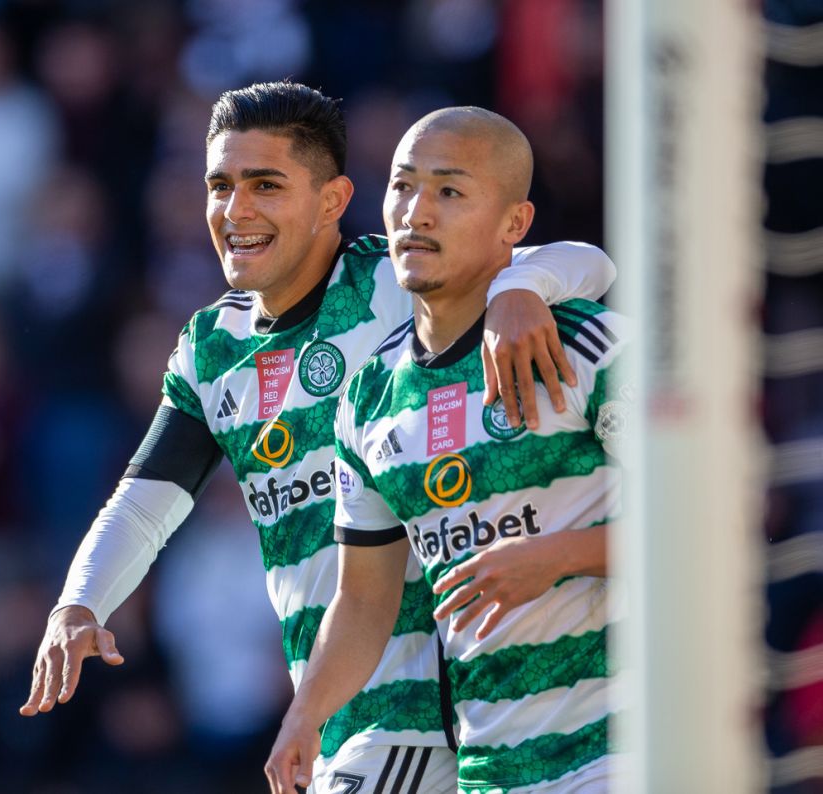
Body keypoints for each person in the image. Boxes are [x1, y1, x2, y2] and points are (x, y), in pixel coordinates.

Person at [20, 82, 617, 793]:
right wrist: (80, 603)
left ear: (332, 201)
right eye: (220, 186)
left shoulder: (399, 279)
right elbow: (146, 502)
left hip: (425, 702)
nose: (236, 210)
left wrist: (521, 288)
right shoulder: (213, 348)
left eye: (265, 185)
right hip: (339, 697)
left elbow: (585, 261)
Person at [265, 106, 626, 794]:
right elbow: (363, 600)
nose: (416, 212)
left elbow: (712, 520)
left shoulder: (584, 344)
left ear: (515, 224)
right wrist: (305, 715)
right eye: (402, 186)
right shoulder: (369, 398)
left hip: (624, 750)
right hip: (490, 769)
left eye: (450, 191)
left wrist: (558, 556)